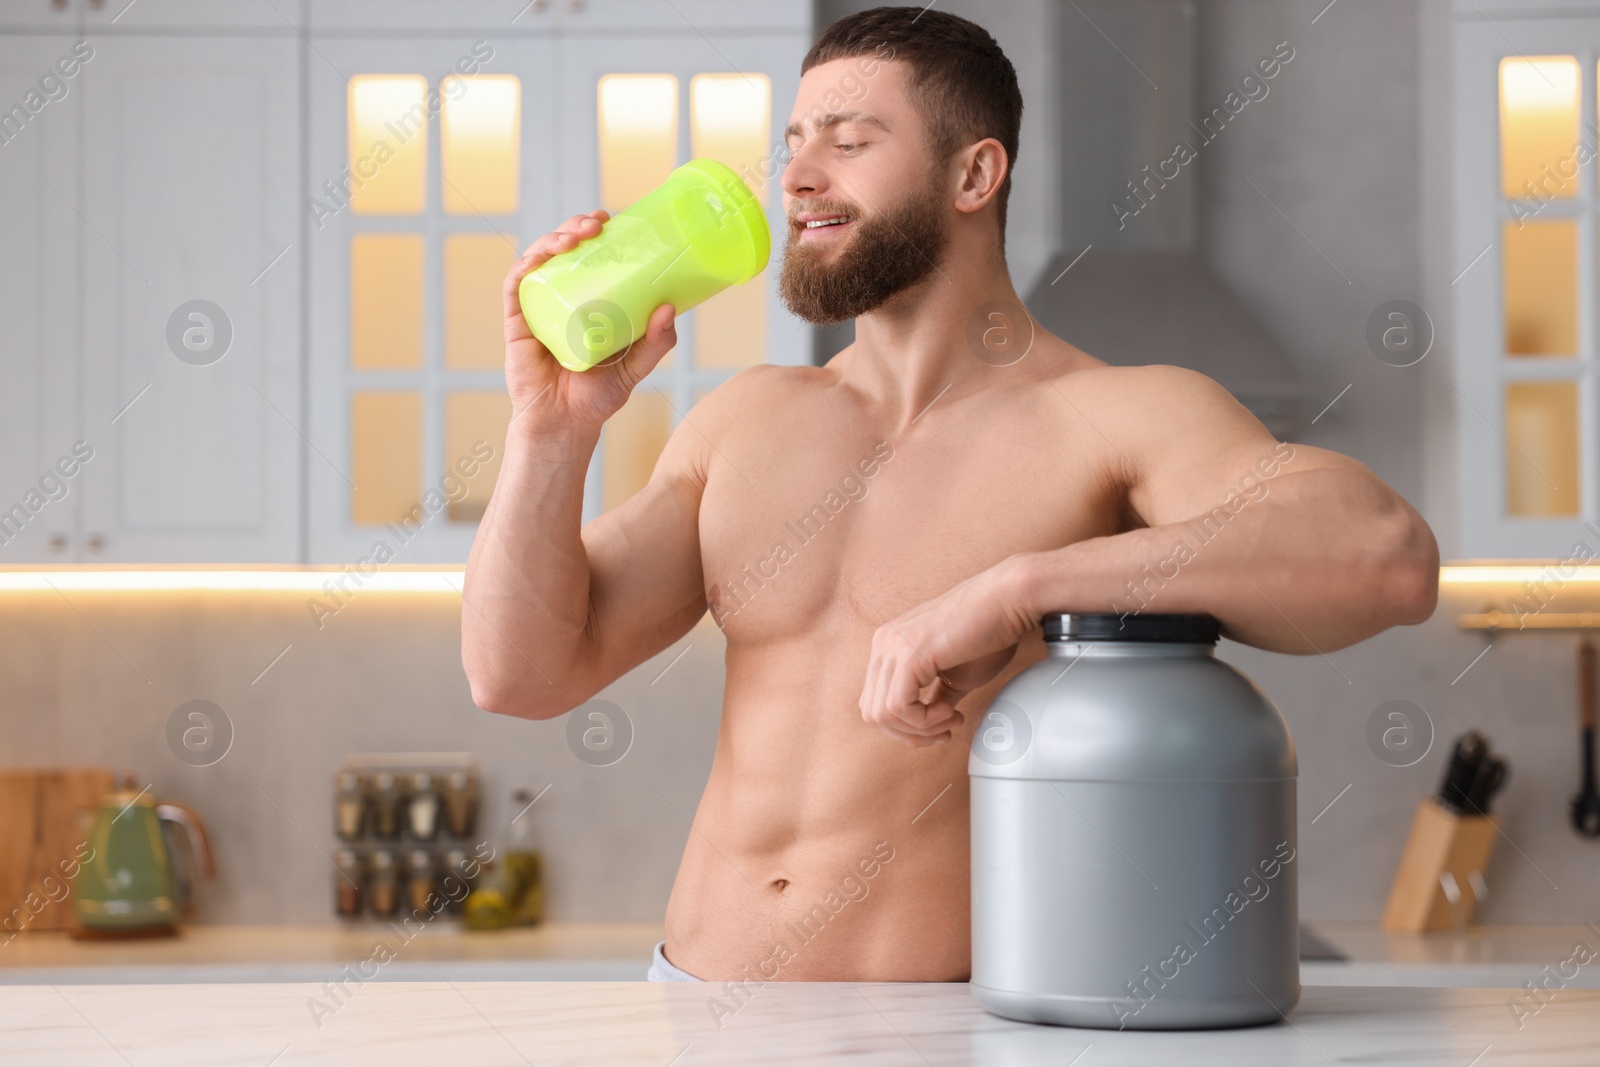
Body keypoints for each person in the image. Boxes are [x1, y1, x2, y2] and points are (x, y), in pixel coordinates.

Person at [461, 6, 1438, 985]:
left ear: (974, 174)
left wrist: (1018, 587)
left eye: (848, 143)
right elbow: (522, 674)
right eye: (795, 144)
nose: (797, 179)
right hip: (697, 1000)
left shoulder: (1111, 417)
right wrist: (553, 431)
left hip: (937, 1028)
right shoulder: (746, 419)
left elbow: (1384, 556)